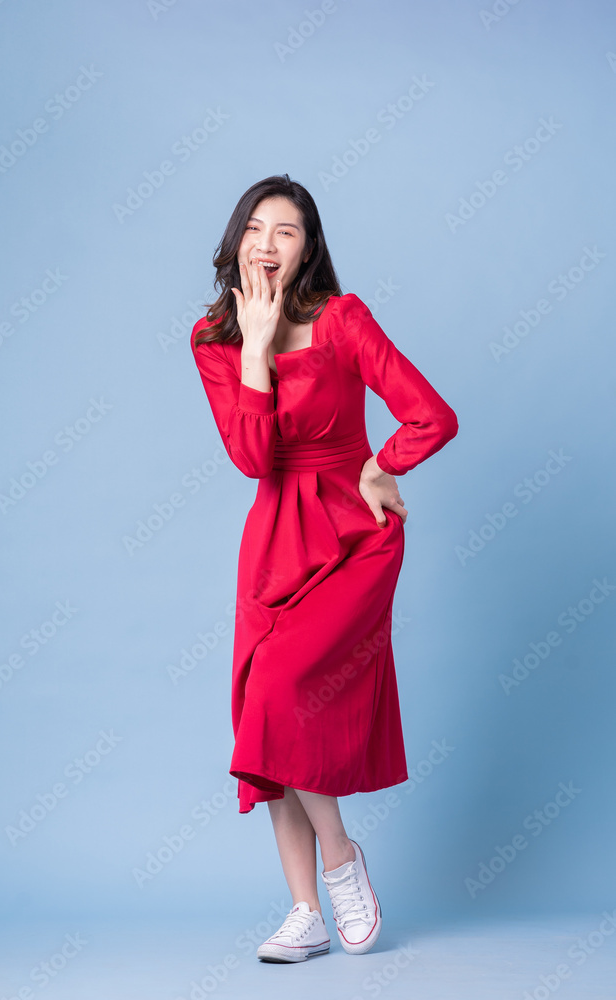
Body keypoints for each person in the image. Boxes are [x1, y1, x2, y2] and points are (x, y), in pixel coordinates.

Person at [190, 174, 458, 963]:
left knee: (277, 690)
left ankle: (339, 858)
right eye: (258, 229)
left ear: (310, 249)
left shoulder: (343, 320)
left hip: (352, 531)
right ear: (238, 237)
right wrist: (259, 346)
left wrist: (383, 463)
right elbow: (250, 458)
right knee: (268, 714)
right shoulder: (214, 340)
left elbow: (431, 413)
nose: (269, 245)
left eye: (289, 232)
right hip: (274, 536)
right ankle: (306, 909)